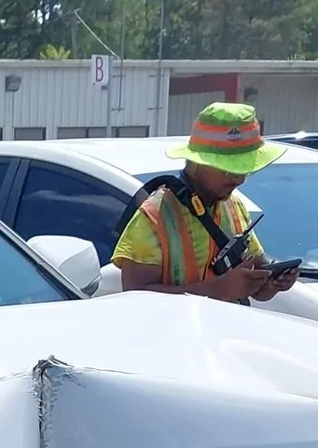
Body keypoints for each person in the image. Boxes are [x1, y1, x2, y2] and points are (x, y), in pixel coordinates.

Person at [112, 102, 300, 304]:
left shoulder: (234, 206)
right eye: (228, 170)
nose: (239, 180)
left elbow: (257, 288)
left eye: (244, 169)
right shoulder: (154, 216)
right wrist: (219, 289)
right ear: (198, 162)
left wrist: (271, 284)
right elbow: (133, 299)